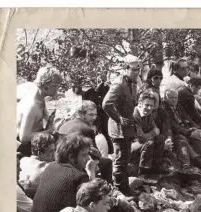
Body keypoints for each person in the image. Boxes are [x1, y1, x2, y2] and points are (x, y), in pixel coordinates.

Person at [28, 133, 96, 212]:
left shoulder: (52, 166)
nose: (87, 159)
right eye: (84, 155)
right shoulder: (78, 176)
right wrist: (91, 173)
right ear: (71, 157)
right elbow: (94, 201)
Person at [102, 54, 141, 195]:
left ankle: (125, 187)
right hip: (118, 128)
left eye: (138, 69)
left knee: (125, 158)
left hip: (128, 126)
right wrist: (118, 119)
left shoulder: (133, 82)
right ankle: (119, 189)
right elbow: (106, 104)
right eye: (133, 69)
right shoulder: (119, 84)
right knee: (119, 160)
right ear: (125, 69)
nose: (136, 72)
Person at [58, 100, 113, 183]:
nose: (94, 117)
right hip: (77, 162)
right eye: (91, 114)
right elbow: (95, 153)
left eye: (95, 115)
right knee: (107, 162)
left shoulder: (64, 125)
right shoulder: (87, 129)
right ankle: (108, 188)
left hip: (61, 161)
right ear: (81, 114)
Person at [16, 65, 62, 157]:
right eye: (55, 86)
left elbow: (46, 116)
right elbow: (24, 137)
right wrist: (49, 131)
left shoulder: (36, 91)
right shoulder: (32, 106)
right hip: (26, 147)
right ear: (45, 86)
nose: (57, 89)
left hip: (37, 137)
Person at [163, 89, 201, 169]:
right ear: (165, 98)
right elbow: (173, 126)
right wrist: (189, 133)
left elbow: (187, 118)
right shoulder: (164, 109)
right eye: (171, 97)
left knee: (196, 130)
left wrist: (196, 127)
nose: (174, 100)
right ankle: (195, 160)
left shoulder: (178, 106)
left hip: (183, 128)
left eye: (176, 98)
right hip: (174, 132)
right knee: (183, 138)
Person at [131, 91, 171, 176]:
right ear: (140, 103)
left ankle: (156, 166)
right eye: (147, 105)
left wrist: (151, 134)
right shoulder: (135, 115)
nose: (149, 108)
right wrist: (152, 133)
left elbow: (157, 129)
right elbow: (141, 137)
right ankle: (143, 171)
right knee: (150, 143)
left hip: (143, 141)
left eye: (151, 106)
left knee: (160, 138)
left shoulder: (148, 113)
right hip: (131, 145)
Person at [18, 132, 55, 198]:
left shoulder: (23, 160)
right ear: (39, 153)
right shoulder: (48, 167)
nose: (54, 154)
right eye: (51, 151)